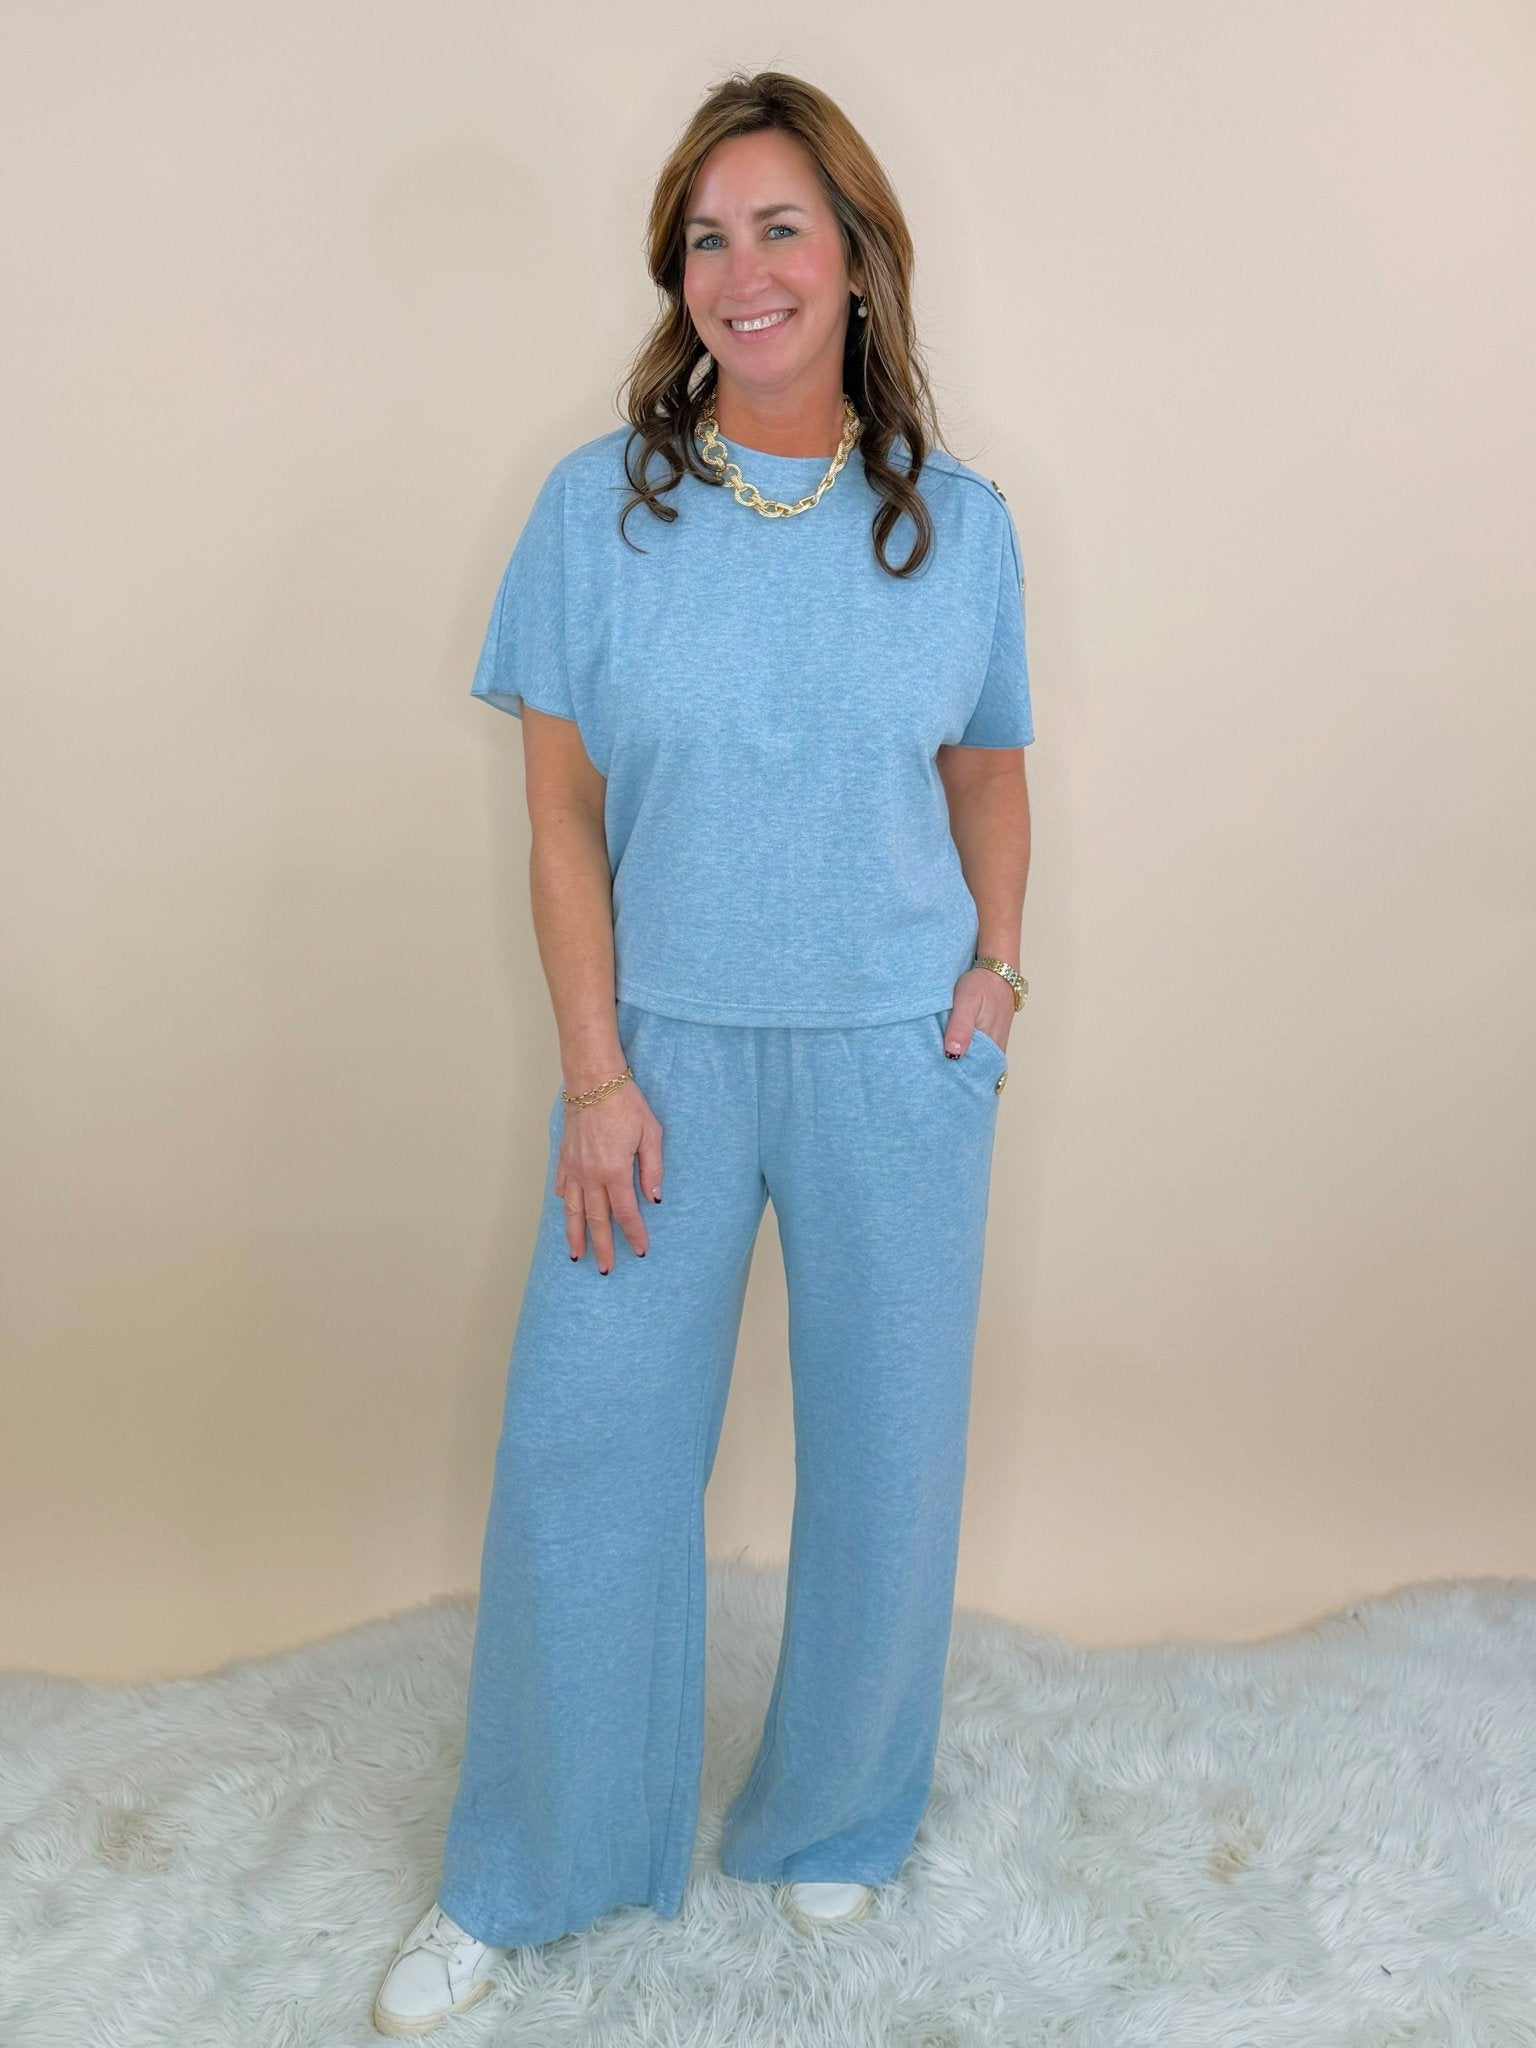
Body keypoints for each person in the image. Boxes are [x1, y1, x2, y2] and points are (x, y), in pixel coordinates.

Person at [374, 66, 1034, 2037]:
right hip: (656, 1055)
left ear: (858, 261)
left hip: (892, 1054)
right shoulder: (596, 514)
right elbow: (559, 821)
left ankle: (835, 1817)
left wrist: (997, 976)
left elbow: (990, 768)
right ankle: (527, 1864)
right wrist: (595, 1074)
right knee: (584, 1448)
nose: (741, 272)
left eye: (780, 229)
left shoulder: (960, 529)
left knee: (890, 1459)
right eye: (705, 238)